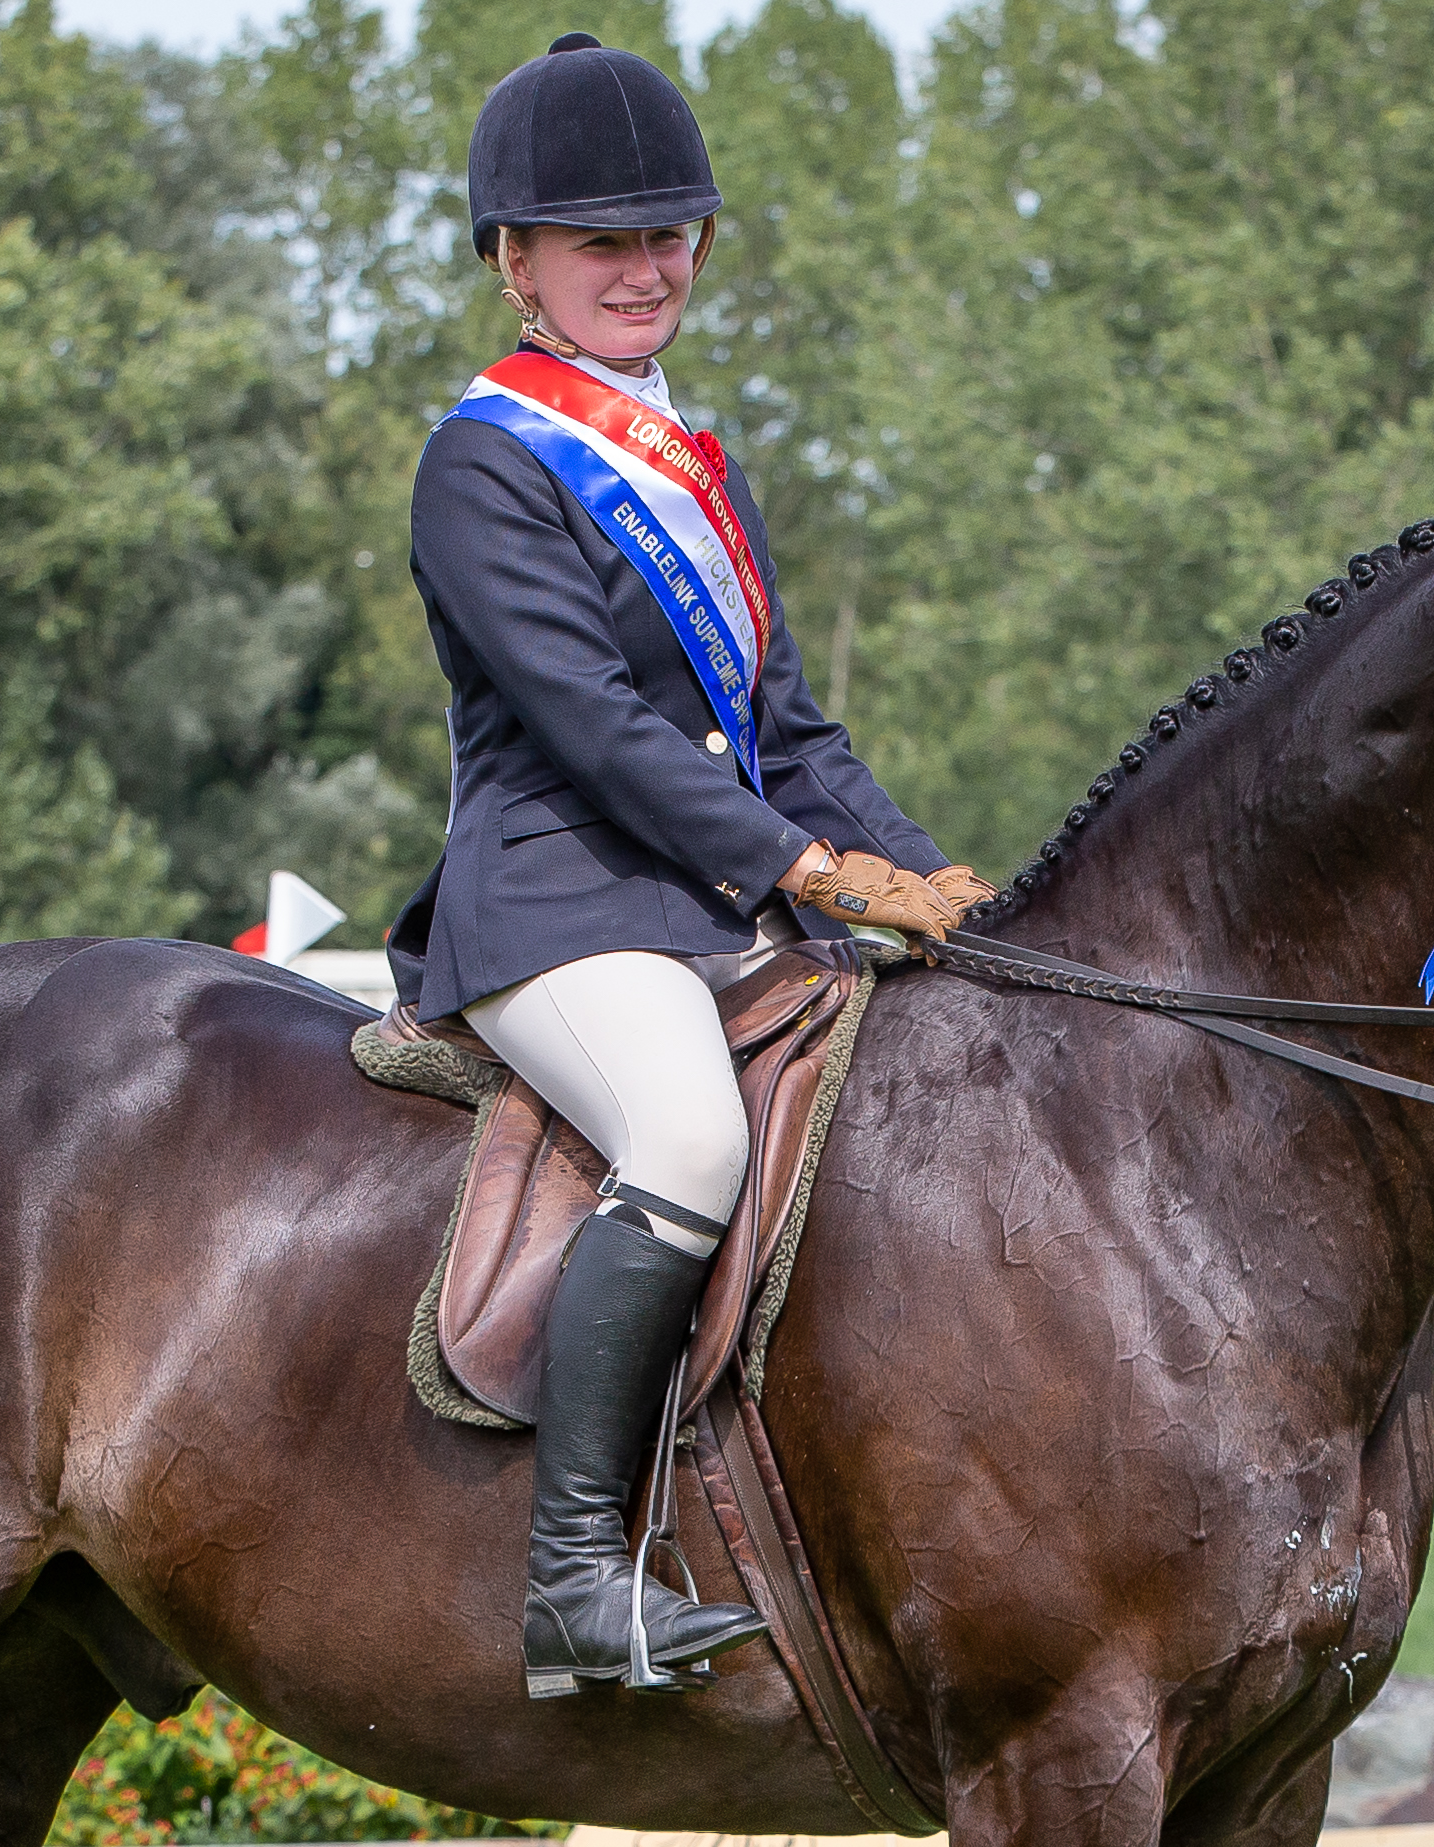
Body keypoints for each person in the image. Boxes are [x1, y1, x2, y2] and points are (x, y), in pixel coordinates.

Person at [379, 33, 997, 1699]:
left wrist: (951, 889)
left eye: (668, 236)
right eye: (603, 241)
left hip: (714, 896)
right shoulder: (485, 460)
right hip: (558, 901)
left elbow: (787, 727)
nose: (643, 268)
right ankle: (578, 1577)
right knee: (686, 1128)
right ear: (516, 262)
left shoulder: (698, 464)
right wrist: (820, 874)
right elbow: (592, 729)